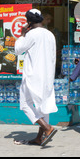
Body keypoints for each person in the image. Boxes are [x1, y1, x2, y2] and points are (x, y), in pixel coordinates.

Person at [14, 9, 58, 146]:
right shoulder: (50, 34)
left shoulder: (31, 34)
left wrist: (22, 35)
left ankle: (47, 128)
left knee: (25, 103)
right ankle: (40, 137)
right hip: (48, 76)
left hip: (33, 76)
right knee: (43, 107)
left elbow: (17, 50)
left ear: (29, 22)